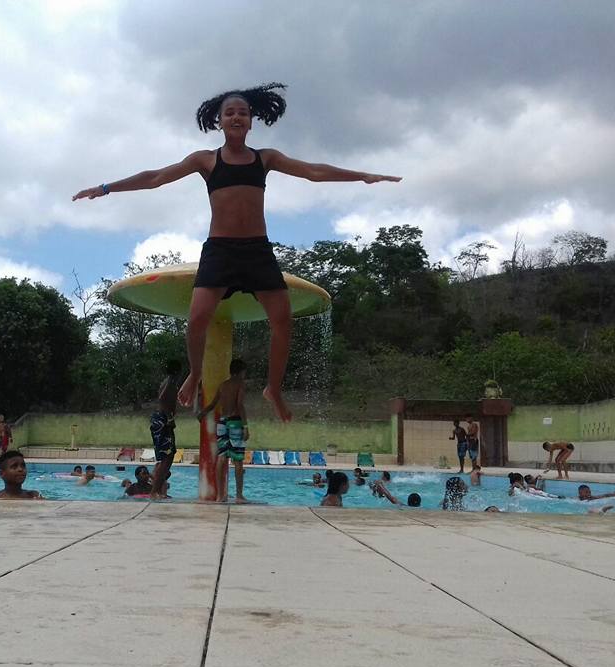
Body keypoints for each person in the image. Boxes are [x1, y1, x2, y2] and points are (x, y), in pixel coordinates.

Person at [72, 83, 400, 423]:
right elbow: (156, 177)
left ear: (251, 121)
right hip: (220, 251)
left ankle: (273, 389)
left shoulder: (265, 158)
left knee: (283, 321)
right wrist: (107, 188)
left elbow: (313, 172)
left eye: (242, 112)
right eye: (229, 112)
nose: (236, 117)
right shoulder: (205, 160)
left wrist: (362, 176)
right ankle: (196, 373)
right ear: (219, 121)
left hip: (257, 251)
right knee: (197, 318)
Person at [197, 358, 250, 503]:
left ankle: (220, 496)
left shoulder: (223, 385)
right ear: (241, 371)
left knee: (222, 457)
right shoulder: (240, 384)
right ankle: (239, 495)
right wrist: (245, 426)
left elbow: (213, 404)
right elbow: (239, 404)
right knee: (238, 459)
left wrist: (202, 413)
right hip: (235, 422)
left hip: (221, 423)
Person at [149, 360, 181, 499]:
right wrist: (169, 417)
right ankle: (154, 492)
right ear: (177, 371)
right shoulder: (170, 382)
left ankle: (157, 491)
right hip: (162, 420)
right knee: (166, 456)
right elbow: (162, 399)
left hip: (162, 420)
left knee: (169, 456)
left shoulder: (169, 381)